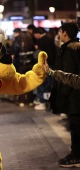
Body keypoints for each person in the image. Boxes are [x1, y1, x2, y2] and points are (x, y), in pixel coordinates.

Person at [46, 22, 80, 168]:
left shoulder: (68, 50)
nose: (59, 34)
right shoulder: (75, 48)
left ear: (64, 33)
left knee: (76, 127)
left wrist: (63, 96)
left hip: (75, 96)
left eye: (60, 31)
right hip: (76, 94)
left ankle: (76, 156)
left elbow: (69, 74)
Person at [33, 27, 56, 110]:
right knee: (48, 85)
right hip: (50, 65)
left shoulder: (43, 41)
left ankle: (43, 102)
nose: (35, 36)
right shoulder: (49, 39)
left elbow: (41, 55)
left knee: (44, 84)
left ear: (38, 33)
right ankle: (47, 103)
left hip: (45, 66)